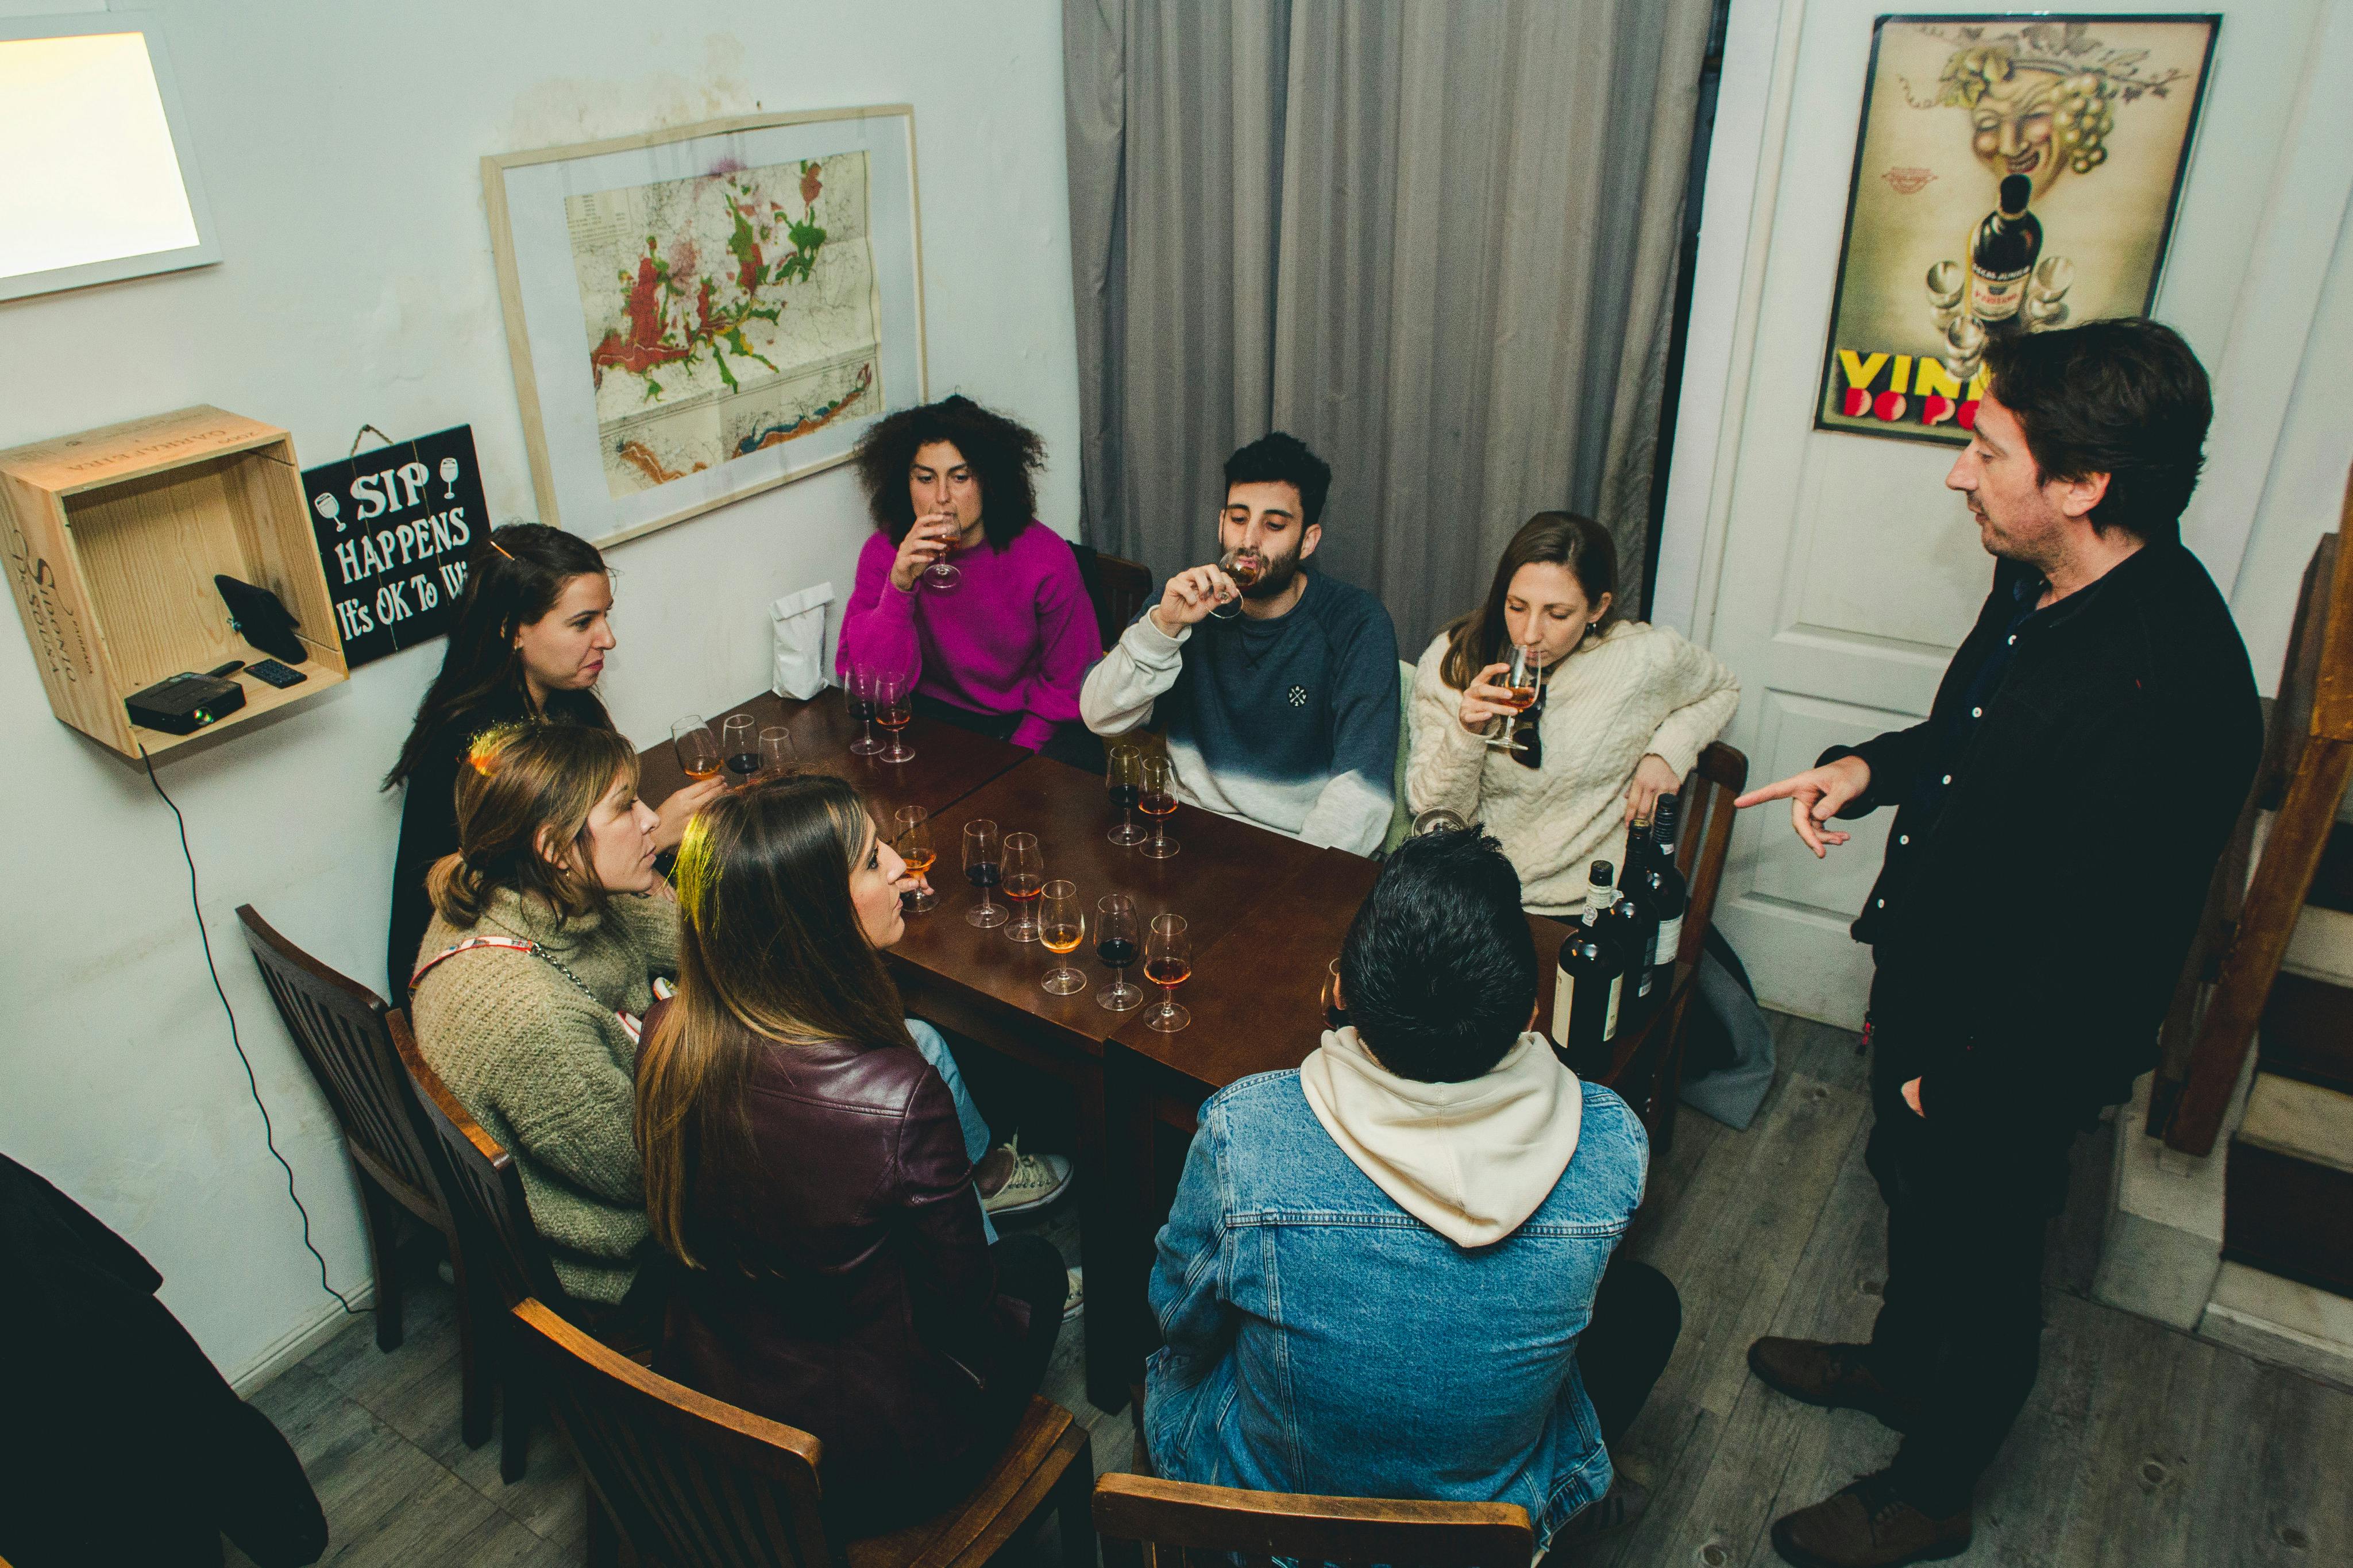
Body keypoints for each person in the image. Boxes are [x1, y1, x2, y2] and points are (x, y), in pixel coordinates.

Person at [1734, 319, 2261, 1568]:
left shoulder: (2174, 692)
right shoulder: (2036, 578)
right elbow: (1974, 749)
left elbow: (2109, 956)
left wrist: (1958, 1082)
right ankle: (1898, 1367)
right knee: (1904, 1196)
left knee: (1983, 1267)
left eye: (1985, 450)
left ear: (2079, 486)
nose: (1957, 474)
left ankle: (1933, 1486)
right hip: (1932, 990)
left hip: (2009, 1048)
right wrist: (1866, 770)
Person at [1144, 827, 1677, 1552]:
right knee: (1646, 1306)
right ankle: (1575, 1489)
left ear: (1339, 994)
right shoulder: (1612, 1144)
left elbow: (1178, 1320)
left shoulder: (1246, 1132)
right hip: (1485, 1536)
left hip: (1279, 1529)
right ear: (1527, 1016)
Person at [635, 776, 1070, 1529]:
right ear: (814, 910)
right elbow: (962, 1307)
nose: (905, 867)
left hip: (725, 1392)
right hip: (869, 1458)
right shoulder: (897, 1096)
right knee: (1039, 1269)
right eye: (873, 861)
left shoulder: (668, 1032)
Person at [383, 523, 723, 1001]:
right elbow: (533, 896)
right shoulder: (478, 750)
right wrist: (659, 835)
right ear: (512, 629)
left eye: (606, 616)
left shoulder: (568, 703)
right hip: (484, 981)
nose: (608, 639)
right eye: (582, 623)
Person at [406, 722, 678, 1313]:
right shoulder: (532, 1016)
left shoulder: (514, 892)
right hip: (619, 1262)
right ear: (554, 850)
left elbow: (671, 939)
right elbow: (650, 1176)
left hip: (626, 1160)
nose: (652, 818)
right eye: (626, 807)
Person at [1080, 432, 1399, 854]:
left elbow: (1362, 799)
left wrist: (1291, 891)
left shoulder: (1357, 624)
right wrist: (1162, 628)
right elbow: (1099, 717)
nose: (1249, 541)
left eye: (1274, 525)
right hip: (1184, 837)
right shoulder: (1183, 602)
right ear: (1220, 523)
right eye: (1237, 518)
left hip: (1297, 854)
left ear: (1308, 540)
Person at [1409, 511, 1738, 913]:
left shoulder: (1642, 660)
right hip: (1468, 895)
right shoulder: (1454, 658)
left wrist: (1668, 753)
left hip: (1584, 904)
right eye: (1516, 606)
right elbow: (1432, 814)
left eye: (1558, 614)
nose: (1530, 634)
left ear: (1597, 609)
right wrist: (1466, 733)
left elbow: (1723, 688)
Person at [837, 395, 1104, 769]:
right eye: (925, 478)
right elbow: (869, 685)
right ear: (905, 480)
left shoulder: (1046, 557)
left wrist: (1014, 756)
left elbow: (1069, 683)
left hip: (1022, 725)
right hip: (929, 724)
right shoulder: (885, 552)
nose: (941, 498)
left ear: (989, 480)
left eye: (960, 477)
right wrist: (899, 587)